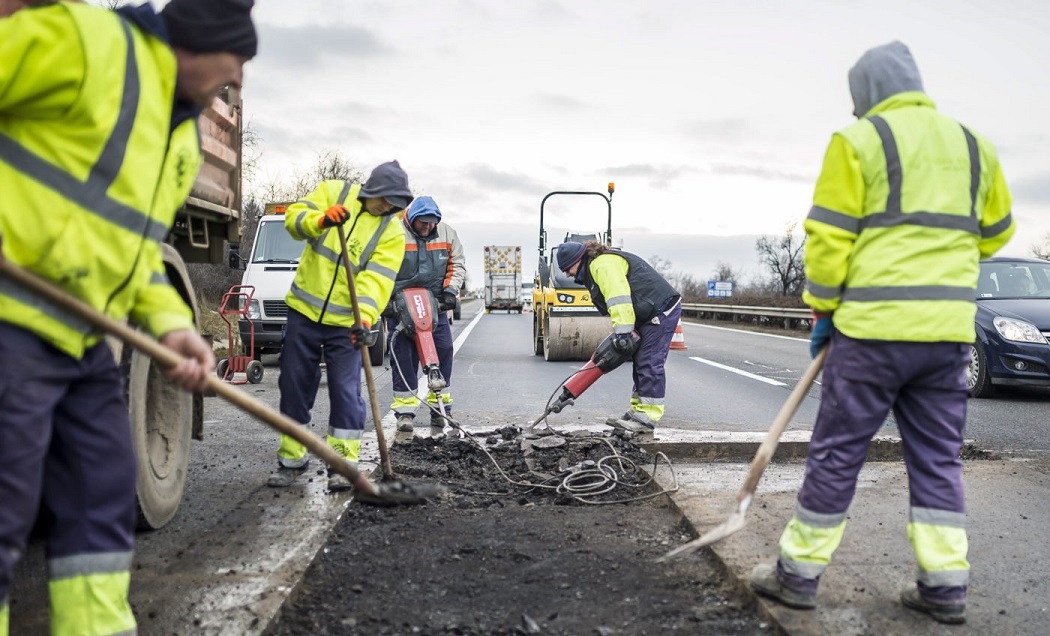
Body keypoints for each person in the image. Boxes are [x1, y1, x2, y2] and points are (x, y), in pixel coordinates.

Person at [0, 0, 256, 633]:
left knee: (101, 493)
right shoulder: (86, 43)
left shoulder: (174, 139)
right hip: (13, 323)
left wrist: (172, 327)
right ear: (196, 45)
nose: (237, 87)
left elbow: (134, 252)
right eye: (233, 70)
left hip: (84, 339)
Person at [748, 41, 1015, 625]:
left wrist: (822, 311)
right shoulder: (975, 146)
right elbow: (995, 234)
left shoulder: (859, 142)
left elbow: (828, 241)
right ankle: (944, 588)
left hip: (870, 334)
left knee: (838, 454)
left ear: (866, 94)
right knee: (939, 460)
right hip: (947, 337)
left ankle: (797, 576)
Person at [266, 162, 412, 491]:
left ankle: (342, 465)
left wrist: (365, 317)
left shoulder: (391, 232)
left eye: (395, 205)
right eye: (385, 200)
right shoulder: (334, 192)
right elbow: (294, 221)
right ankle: (291, 460)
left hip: (346, 324)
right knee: (294, 385)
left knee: (346, 393)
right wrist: (320, 220)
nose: (388, 208)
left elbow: (378, 279)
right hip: (304, 313)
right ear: (372, 190)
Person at [555, 240, 681, 433]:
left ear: (577, 260)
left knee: (649, 361)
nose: (566, 274)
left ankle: (646, 418)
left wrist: (622, 332)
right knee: (640, 361)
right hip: (647, 311)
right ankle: (638, 411)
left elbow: (618, 299)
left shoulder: (602, 265)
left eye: (567, 268)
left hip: (660, 310)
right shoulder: (594, 267)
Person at [385, 196, 466, 438]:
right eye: (424, 223)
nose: (428, 227)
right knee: (404, 357)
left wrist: (451, 290)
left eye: (432, 223)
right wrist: (385, 299)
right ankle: (405, 414)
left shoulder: (446, 234)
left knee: (443, 350)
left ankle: (441, 409)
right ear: (412, 219)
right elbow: (380, 268)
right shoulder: (393, 234)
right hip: (400, 307)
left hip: (434, 305)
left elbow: (457, 264)